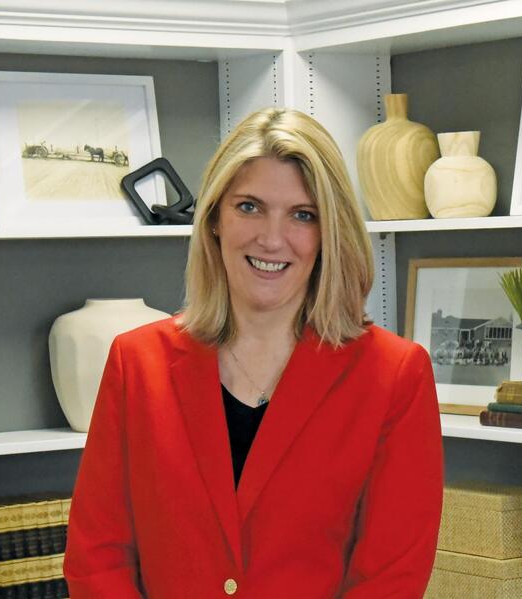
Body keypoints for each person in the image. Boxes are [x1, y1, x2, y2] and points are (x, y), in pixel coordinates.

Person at [63, 108, 444, 598]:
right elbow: (98, 557)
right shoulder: (136, 363)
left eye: (302, 215)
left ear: (329, 232)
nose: (271, 238)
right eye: (249, 207)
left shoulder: (394, 375)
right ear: (216, 219)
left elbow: (390, 578)